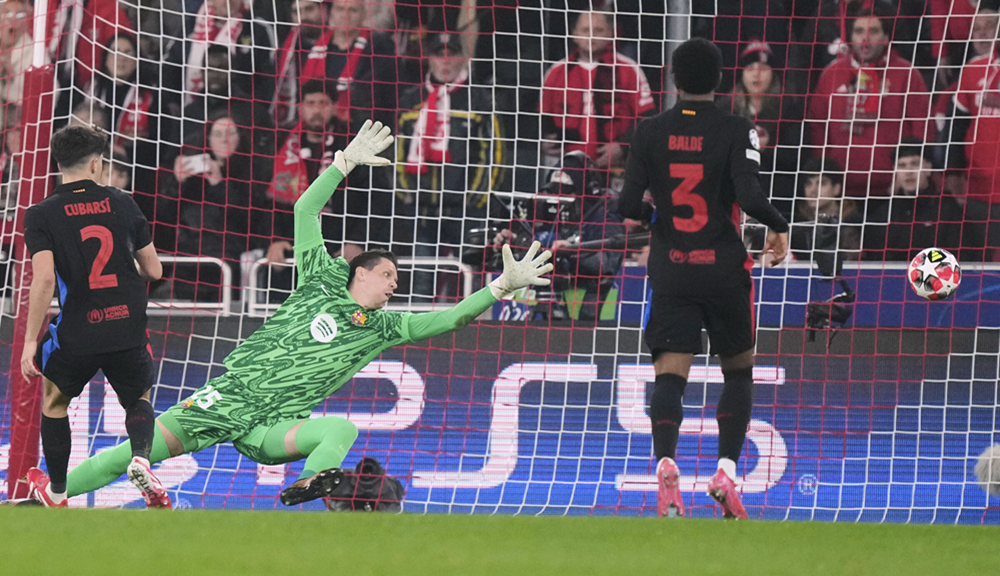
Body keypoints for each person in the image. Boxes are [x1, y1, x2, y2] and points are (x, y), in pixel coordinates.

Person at [24, 120, 553, 508]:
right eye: (388, 274)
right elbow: (305, 210)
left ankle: (308, 486)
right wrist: (343, 163)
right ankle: (53, 493)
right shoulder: (320, 277)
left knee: (338, 430)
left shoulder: (386, 328)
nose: (395, 285)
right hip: (230, 397)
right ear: (359, 272)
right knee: (130, 456)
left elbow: (452, 319)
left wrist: (500, 286)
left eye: (397, 280)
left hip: (272, 428)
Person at [618, 38, 789, 520]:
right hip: (723, 269)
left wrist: (658, 210)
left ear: (674, 77)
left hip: (672, 270)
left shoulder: (649, 131)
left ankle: (666, 464)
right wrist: (779, 223)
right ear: (719, 79)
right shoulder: (738, 128)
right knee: (738, 371)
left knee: (669, 377)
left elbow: (627, 206)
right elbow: (750, 194)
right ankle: (726, 471)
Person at [18, 126, 165, 508]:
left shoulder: (40, 214)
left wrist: (30, 341)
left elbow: (45, 278)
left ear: (57, 163)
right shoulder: (123, 201)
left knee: (54, 403)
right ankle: (141, 459)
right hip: (127, 325)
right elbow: (154, 271)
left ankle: (58, 493)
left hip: (79, 331)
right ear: (98, 163)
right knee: (138, 399)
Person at [805, 3, 932, 198]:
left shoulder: (907, 74)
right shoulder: (831, 74)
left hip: (894, 191)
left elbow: (923, 129)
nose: (865, 38)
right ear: (850, 37)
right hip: (841, 193)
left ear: (887, 37)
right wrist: (825, 177)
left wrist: (911, 175)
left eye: (873, 31)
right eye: (858, 31)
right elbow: (818, 128)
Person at [540, 9, 656, 169]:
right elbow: (542, 118)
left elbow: (648, 119)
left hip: (617, 169)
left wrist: (623, 147)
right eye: (585, 30)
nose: (591, 36)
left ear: (610, 33)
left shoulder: (628, 69)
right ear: (574, 34)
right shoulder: (557, 71)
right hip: (566, 168)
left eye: (598, 30)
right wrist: (543, 142)